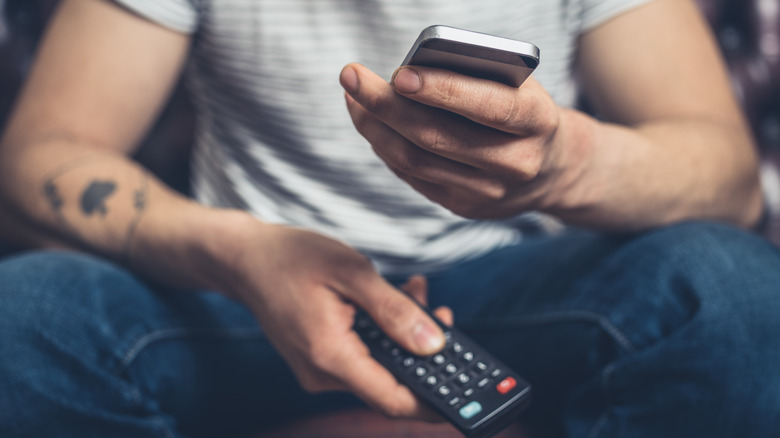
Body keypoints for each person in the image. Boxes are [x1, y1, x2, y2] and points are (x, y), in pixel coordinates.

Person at [1, 0, 779, 436]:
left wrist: (564, 167)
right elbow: (40, 156)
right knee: (23, 319)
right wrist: (239, 252)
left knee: (733, 299)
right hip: (240, 292)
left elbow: (731, 180)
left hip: (506, 296)